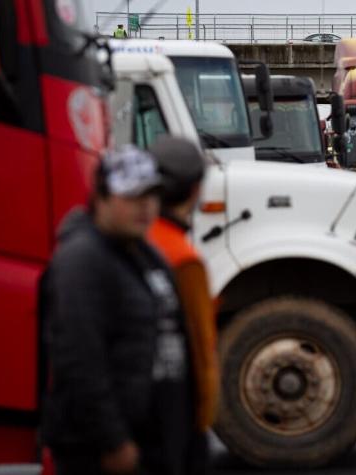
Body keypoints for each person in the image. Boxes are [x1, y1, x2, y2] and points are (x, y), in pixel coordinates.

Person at [41, 145, 200, 475]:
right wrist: (112, 441)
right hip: (107, 452)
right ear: (100, 197)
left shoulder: (148, 254)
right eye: (132, 195)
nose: (145, 206)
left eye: (152, 195)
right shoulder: (82, 260)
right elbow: (80, 359)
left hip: (158, 442)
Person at [146, 137, 219, 468]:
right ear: (194, 190)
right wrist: (203, 420)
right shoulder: (184, 258)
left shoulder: (133, 237)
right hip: (174, 417)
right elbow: (202, 348)